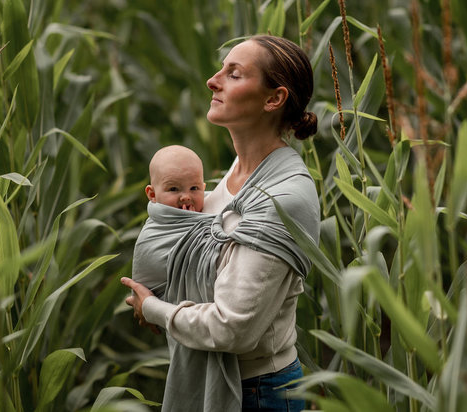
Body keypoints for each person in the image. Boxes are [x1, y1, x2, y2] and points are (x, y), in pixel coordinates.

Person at [121, 35, 320, 412]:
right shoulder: (239, 174)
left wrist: (155, 310)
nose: (213, 81)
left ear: (273, 99)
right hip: (232, 383)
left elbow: (234, 328)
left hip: (258, 393)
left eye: (234, 73)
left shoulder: (281, 197)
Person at [131, 145, 207, 298]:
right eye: (173, 189)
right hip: (168, 311)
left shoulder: (213, 211)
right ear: (152, 194)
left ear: (204, 188)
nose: (186, 196)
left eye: (194, 188)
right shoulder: (153, 235)